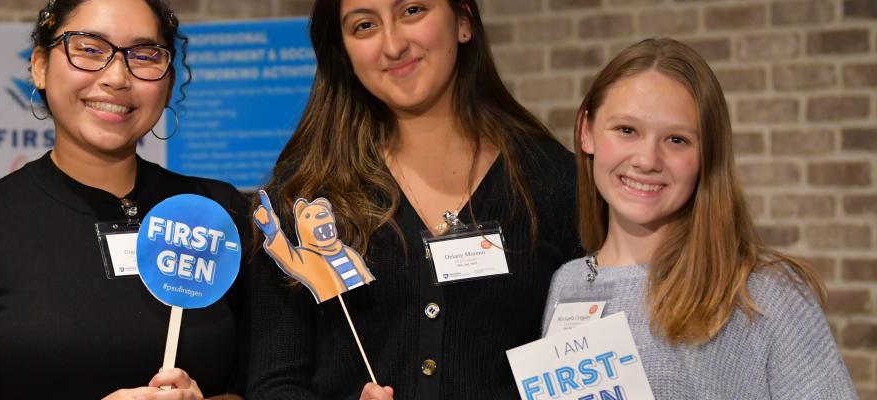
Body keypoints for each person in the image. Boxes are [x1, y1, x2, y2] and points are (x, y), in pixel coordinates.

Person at [0, 0, 249, 399]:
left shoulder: (216, 213)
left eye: (143, 55)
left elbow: (277, 382)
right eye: (89, 49)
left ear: (169, 82)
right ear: (39, 66)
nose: (117, 77)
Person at [247, 0, 581, 398]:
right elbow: (275, 382)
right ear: (344, 52)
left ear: (462, 21)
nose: (393, 45)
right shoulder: (302, 196)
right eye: (365, 25)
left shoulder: (553, 180)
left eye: (412, 11)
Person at [541, 38, 858, 399]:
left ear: (707, 153)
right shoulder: (566, 283)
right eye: (627, 130)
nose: (647, 159)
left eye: (676, 140)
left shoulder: (764, 293)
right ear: (586, 131)